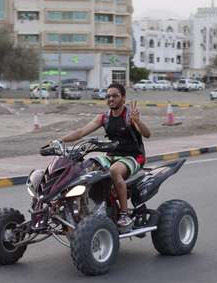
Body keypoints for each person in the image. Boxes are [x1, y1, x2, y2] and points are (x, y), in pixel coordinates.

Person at [60, 83, 151, 230]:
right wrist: (61, 140)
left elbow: (147, 134)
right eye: (108, 96)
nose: (111, 99)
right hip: (112, 155)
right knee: (86, 166)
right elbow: (81, 131)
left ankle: (123, 214)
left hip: (133, 156)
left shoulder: (129, 116)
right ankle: (84, 209)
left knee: (114, 171)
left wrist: (137, 120)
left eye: (115, 96)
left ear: (123, 98)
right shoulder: (104, 118)